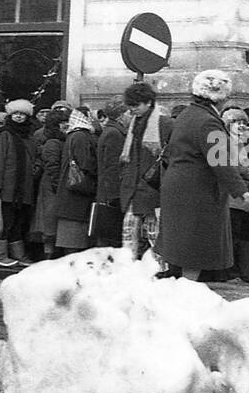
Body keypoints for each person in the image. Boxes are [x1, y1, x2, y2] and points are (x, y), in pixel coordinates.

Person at [155, 70, 249, 280]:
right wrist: (241, 191)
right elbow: (220, 162)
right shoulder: (209, 121)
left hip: (178, 186)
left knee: (180, 245)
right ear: (223, 96)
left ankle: (178, 290)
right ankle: (186, 293)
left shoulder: (186, 115)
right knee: (194, 248)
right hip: (197, 191)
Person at [118, 81, 173, 262]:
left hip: (152, 188)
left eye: (135, 105)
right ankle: (130, 270)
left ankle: (161, 272)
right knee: (131, 234)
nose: (132, 109)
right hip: (136, 188)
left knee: (154, 235)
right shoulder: (135, 123)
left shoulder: (164, 124)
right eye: (130, 105)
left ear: (148, 102)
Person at [0, 99, 36, 267]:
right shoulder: (3, 135)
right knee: (3, 222)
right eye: (16, 114)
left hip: (23, 189)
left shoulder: (28, 137)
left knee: (18, 221)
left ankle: (18, 255)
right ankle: (0, 256)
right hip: (7, 188)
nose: (19, 117)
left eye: (22, 114)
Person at [222, 106, 249, 283]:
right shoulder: (228, 142)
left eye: (243, 124)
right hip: (233, 195)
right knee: (232, 236)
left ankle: (232, 271)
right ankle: (230, 272)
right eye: (237, 123)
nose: (242, 127)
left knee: (235, 234)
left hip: (237, 195)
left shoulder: (237, 141)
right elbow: (236, 166)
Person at [54, 107, 98, 256]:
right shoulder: (81, 136)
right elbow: (85, 162)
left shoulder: (73, 134)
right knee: (75, 236)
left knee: (71, 237)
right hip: (77, 192)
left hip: (70, 193)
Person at [29, 109, 69, 260]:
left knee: (52, 222)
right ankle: (49, 255)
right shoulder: (53, 143)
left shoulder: (59, 141)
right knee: (49, 223)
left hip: (53, 185)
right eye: (64, 125)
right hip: (51, 187)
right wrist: (57, 185)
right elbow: (52, 166)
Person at [93, 96, 130, 249]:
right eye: (129, 112)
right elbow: (112, 167)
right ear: (122, 115)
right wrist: (115, 196)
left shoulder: (112, 131)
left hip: (109, 191)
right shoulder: (114, 133)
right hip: (112, 193)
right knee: (110, 236)